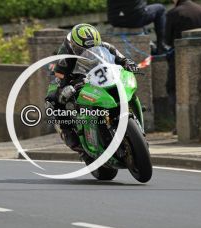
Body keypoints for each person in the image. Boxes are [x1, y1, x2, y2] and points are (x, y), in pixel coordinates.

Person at [48, 23, 139, 151]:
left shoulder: (104, 45)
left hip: (97, 75)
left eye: (94, 48)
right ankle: (67, 130)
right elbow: (58, 77)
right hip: (73, 77)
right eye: (83, 50)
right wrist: (64, 88)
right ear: (74, 46)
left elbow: (120, 57)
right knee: (53, 99)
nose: (89, 52)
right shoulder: (65, 55)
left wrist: (127, 63)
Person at [165, 0, 201, 116]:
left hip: (178, 59)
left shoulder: (172, 13)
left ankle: (179, 122)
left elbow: (167, 39)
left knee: (172, 88)